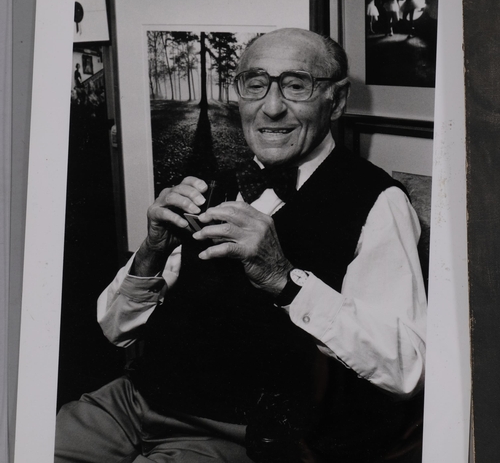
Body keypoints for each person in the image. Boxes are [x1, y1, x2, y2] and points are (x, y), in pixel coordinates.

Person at [55, 28, 427, 463]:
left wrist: (282, 279)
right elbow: (115, 328)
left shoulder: (378, 202)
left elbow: (407, 368)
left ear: (337, 100)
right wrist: (151, 252)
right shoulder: (212, 183)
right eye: (256, 84)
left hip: (235, 432)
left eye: (296, 85)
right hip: (128, 401)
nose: (271, 108)